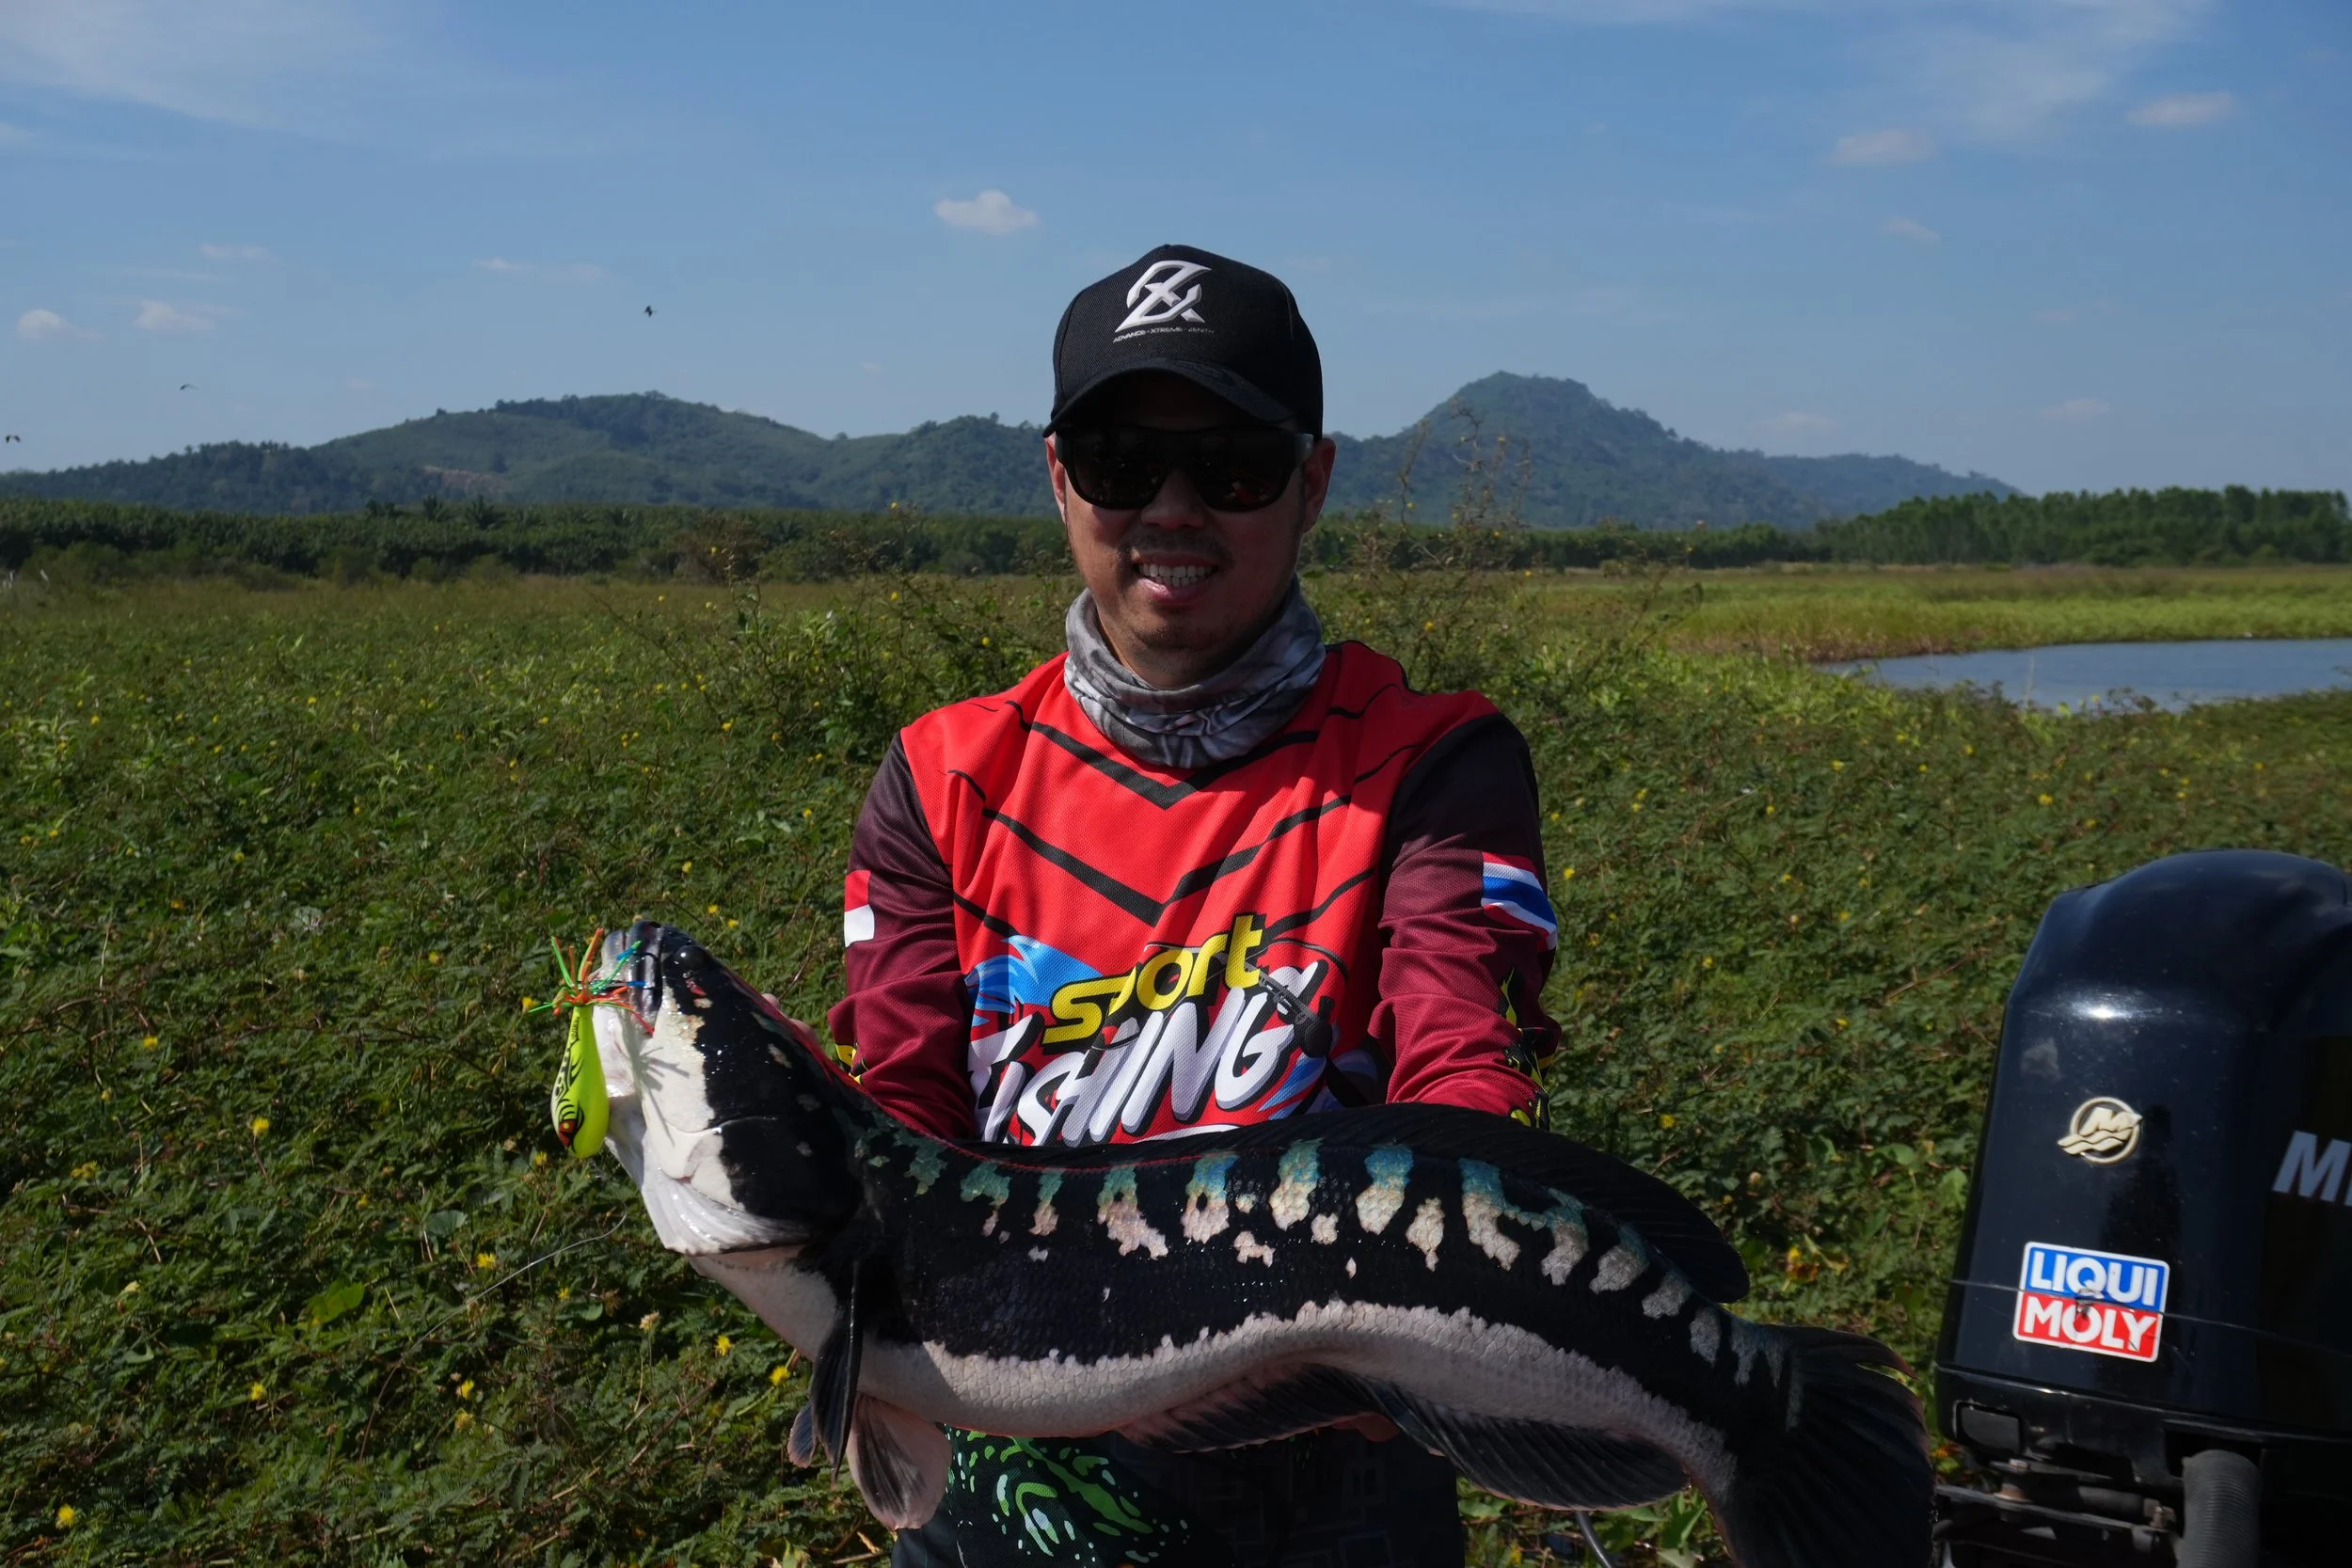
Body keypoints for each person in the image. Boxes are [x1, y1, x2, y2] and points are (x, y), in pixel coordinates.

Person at [829, 245, 1563, 1568]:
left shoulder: (1426, 765)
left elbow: (1465, 1073)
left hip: (1334, 1486)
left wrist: (1443, 1310)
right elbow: (906, 1123)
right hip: (1002, 1503)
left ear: (1312, 482)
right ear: (1060, 477)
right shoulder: (945, 780)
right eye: (1120, 461)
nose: (1171, 510)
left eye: (1230, 466)